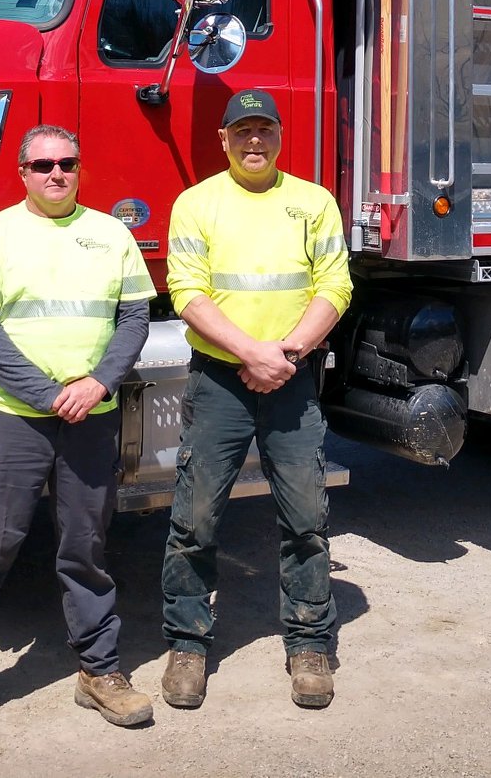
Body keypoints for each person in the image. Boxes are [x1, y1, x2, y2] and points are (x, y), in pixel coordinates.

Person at [0, 124, 155, 756]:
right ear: (22, 172)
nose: (56, 174)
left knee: (87, 549)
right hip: (14, 420)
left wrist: (100, 382)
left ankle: (99, 670)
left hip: (91, 415)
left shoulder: (110, 235)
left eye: (67, 164)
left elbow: (134, 317)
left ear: (81, 169)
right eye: (42, 165)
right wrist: (48, 392)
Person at [159, 89, 352, 711]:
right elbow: (186, 292)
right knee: (196, 517)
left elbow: (336, 285)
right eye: (240, 131)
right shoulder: (196, 204)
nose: (253, 142)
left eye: (264, 129)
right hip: (220, 381)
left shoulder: (313, 203)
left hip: (291, 378)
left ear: (279, 135)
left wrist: (286, 354)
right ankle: (187, 643)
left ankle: (309, 643)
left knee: (306, 518)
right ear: (223, 140)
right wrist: (252, 352)